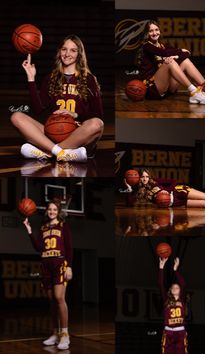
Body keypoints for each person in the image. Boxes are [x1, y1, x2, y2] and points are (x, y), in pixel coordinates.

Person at [11, 34, 104, 162]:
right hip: (54, 131)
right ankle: (61, 153)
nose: (67, 54)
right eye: (64, 49)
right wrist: (31, 78)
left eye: (73, 50)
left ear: (79, 54)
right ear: (59, 51)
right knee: (16, 117)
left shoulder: (89, 79)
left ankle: (48, 151)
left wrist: (75, 114)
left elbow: (98, 113)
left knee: (97, 124)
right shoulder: (50, 78)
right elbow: (38, 109)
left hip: (79, 134)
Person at [136, 20, 205, 104]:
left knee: (185, 61)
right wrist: (177, 54)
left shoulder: (162, 46)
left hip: (167, 87)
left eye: (156, 29)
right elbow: (164, 53)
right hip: (152, 88)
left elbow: (186, 54)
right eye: (151, 31)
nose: (155, 33)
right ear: (146, 34)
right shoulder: (147, 46)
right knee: (170, 62)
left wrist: (177, 54)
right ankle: (194, 92)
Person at [23, 199, 73, 350]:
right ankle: (55, 333)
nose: (52, 211)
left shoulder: (64, 226)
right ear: (46, 211)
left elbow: (69, 248)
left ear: (58, 212)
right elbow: (38, 248)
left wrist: (69, 267)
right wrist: (29, 230)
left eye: (54, 209)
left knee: (59, 298)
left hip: (59, 264)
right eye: (49, 209)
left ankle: (65, 335)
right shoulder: (43, 228)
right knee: (52, 301)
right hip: (45, 265)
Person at [123, 168, 205, 207]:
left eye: (147, 176)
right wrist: (128, 188)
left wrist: (167, 191)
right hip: (174, 203)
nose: (145, 179)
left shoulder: (155, 181)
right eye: (142, 177)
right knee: (204, 205)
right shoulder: (139, 191)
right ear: (138, 178)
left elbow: (173, 181)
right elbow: (129, 204)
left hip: (178, 191)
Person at [158, 257, 188, 354]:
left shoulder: (182, 300)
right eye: (173, 287)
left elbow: (183, 284)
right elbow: (161, 284)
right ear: (170, 291)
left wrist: (175, 270)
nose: (175, 288)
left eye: (177, 287)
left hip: (180, 332)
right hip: (168, 332)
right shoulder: (166, 300)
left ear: (180, 291)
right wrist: (161, 268)